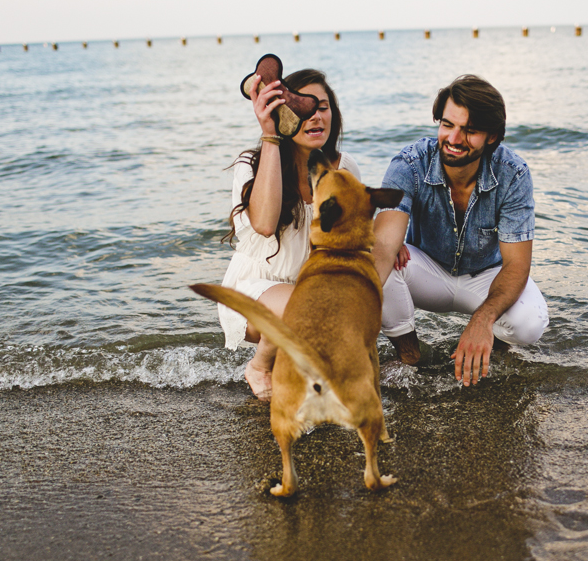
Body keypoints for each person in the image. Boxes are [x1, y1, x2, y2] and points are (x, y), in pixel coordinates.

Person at [373, 75, 549, 387]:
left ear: (492, 136)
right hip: (423, 269)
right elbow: (383, 247)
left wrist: (482, 321)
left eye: (470, 131)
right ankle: (410, 355)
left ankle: (491, 347)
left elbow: (517, 265)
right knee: (382, 264)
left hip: (486, 275)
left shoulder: (513, 173)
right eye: (447, 124)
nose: (454, 138)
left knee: (529, 324)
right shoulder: (410, 163)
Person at [218, 68, 360, 400]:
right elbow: (265, 224)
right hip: (253, 291)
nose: (315, 116)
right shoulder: (251, 165)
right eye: (302, 108)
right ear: (282, 115)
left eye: (322, 107)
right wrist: (269, 134)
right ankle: (260, 366)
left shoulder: (344, 167)